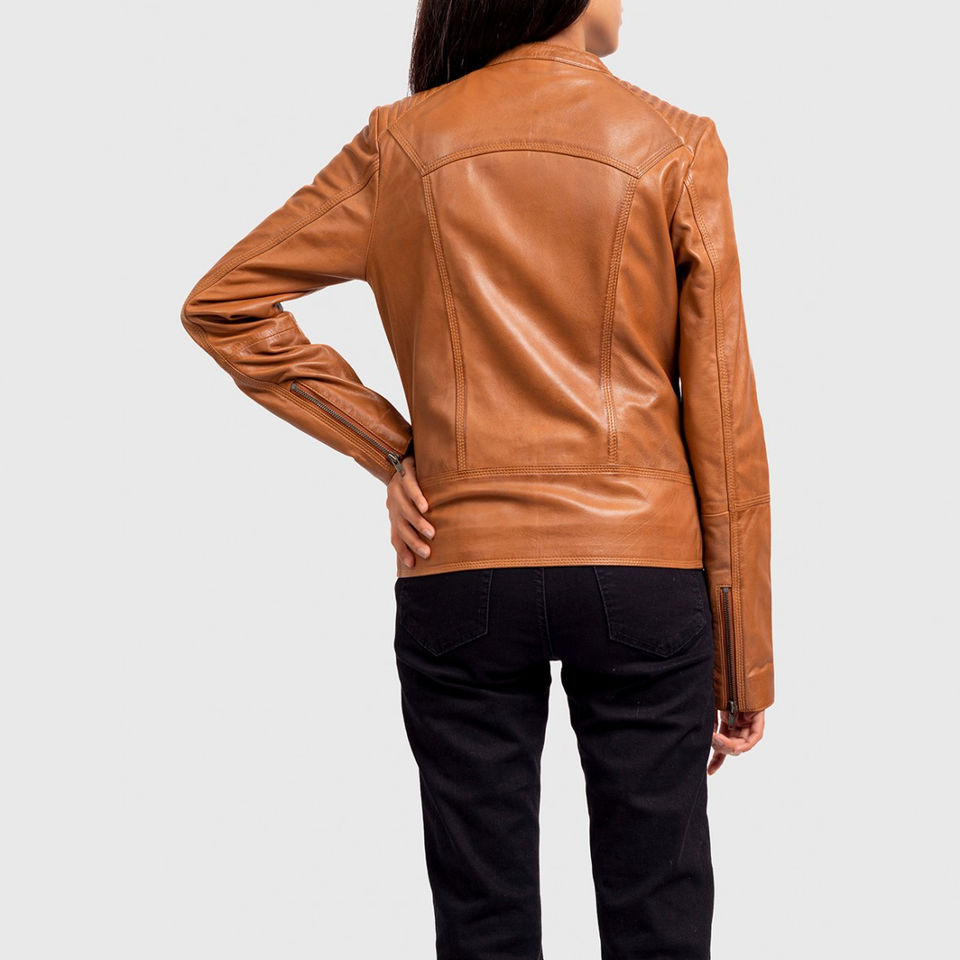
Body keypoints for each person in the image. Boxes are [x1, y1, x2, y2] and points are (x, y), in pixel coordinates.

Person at [180, 0, 774, 956]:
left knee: (481, 917)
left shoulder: (402, 145)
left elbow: (226, 302)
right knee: (659, 911)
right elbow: (722, 410)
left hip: (459, 563)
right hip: (643, 572)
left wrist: (393, 449)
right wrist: (743, 657)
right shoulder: (675, 144)